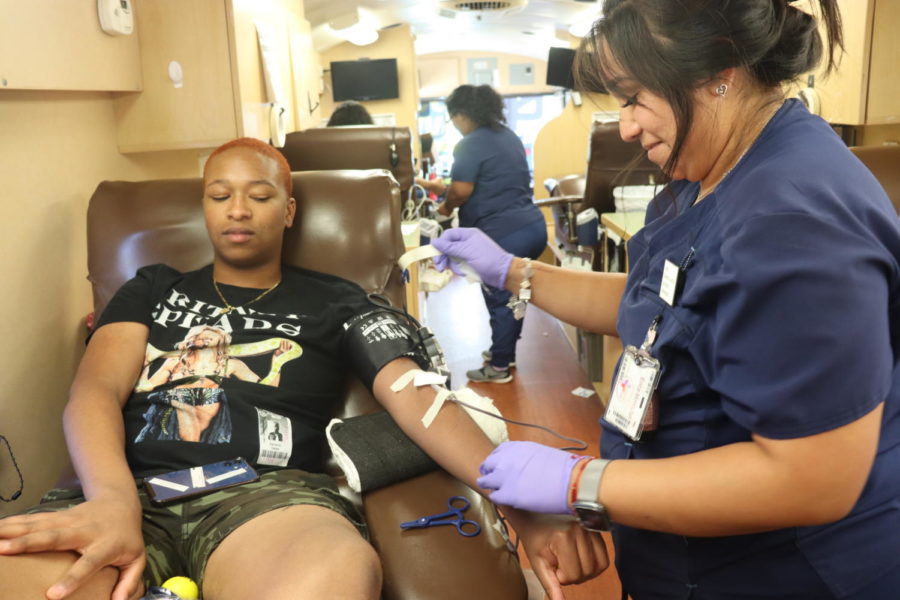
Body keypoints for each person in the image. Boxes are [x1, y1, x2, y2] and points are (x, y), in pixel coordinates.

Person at [0, 138, 606, 600]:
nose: (238, 210)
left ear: (289, 211)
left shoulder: (337, 300)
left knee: (331, 576)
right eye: (219, 196)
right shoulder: (153, 287)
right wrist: (110, 502)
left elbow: (419, 402)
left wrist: (526, 511)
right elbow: (94, 392)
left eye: (260, 196)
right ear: (204, 208)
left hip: (264, 499)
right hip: (125, 487)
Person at [432, 1, 900, 598]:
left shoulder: (791, 221)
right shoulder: (714, 173)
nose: (626, 127)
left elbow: (813, 478)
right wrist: (514, 272)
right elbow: (662, 310)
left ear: (718, 70)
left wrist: (582, 481)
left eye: (633, 97)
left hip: (782, 573)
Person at [432, 84, 548, 384]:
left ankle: (498, 367)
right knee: (517, 293)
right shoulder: (507, 136)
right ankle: (504, 351)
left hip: (502, 234)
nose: (455, 124)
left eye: (453, 117)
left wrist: (444, 208)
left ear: (462, 115)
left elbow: (461, 190)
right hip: (532, 228)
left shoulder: (470, 143)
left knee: (499, 297)